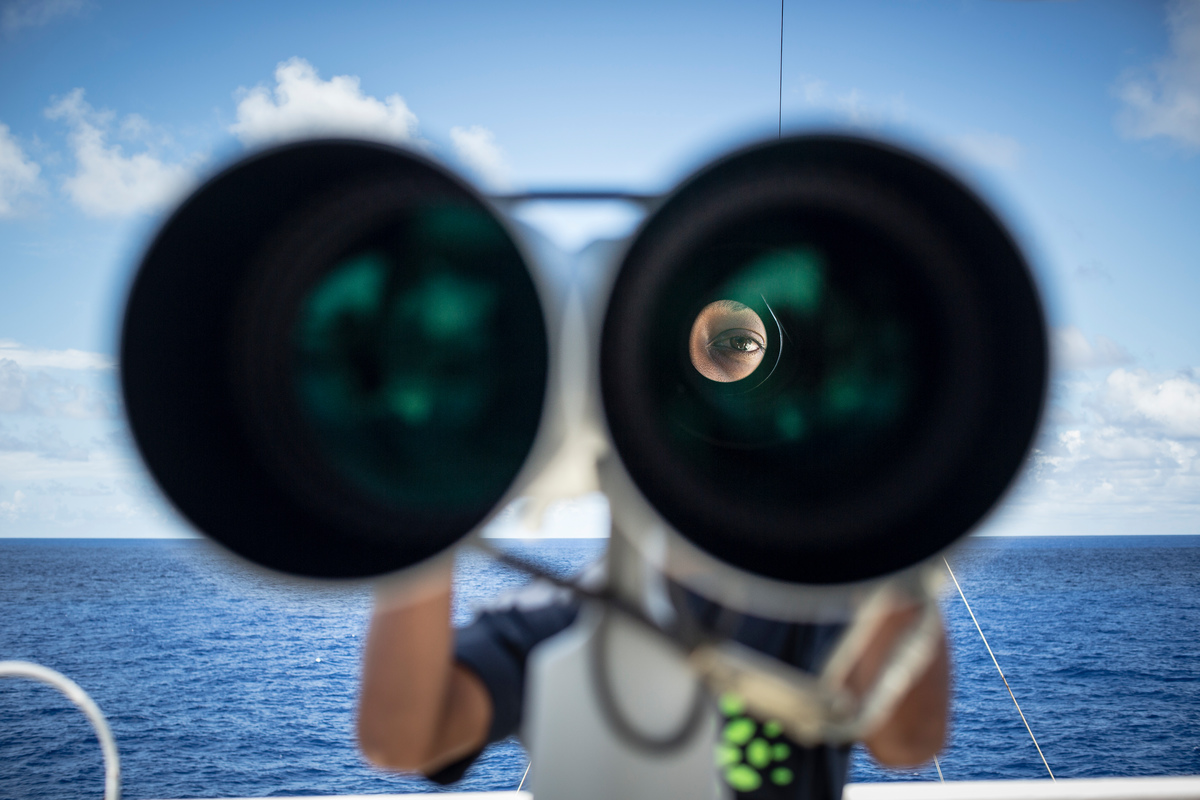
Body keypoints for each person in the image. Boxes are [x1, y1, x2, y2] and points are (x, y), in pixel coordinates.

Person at [356, 555, 949, 799]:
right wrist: (424, 510)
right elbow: (403, 737)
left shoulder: (814, 610)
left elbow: (907, 740)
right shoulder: (565, 614)